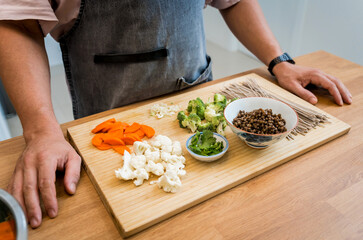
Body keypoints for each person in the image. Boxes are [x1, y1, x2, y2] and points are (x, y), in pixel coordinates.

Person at [0, 0, 352, 229]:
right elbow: (18, 22)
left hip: (195, 96)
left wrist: (279, 61)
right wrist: (41, 130)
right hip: (110, 130)